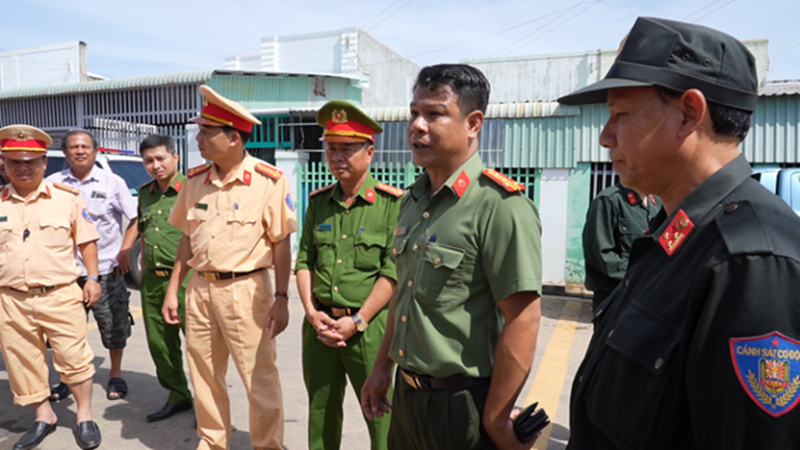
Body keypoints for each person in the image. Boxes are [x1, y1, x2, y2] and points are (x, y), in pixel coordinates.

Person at [558, 17, 800, 449]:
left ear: (689, 114)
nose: (604, 136)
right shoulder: (677, 233)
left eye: (621, 114)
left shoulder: (749, 261)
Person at [361, 64, 543, 450]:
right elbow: (403, 293)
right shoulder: (411, 202)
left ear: (473, 123)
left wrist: (495, 417)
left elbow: (523, 318)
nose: (417, 126)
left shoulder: (500, 206)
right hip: (406, 398)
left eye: (434, 113)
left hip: (462, 407)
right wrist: (382, 368)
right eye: (414, 113)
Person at [163, 85, 298, 450]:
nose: (200, 138)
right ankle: (212, 441)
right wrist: (174, 289)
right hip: (200, 290)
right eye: (200, 130)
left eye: (207, 132)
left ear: (234, 138)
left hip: (247, 290)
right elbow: (187, 239)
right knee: (204, 374)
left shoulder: (269, 180)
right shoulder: (194, 181)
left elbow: (281, 243)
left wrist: (283, 297)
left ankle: (268, 445)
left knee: (259, 377)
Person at [295, 100, 402, 450]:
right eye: (330, 148)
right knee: (321, 411)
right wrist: (312, 314)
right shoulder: (318, 202)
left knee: (380, 414)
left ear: (369, 152)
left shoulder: (391, 205)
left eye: (346, 148)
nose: (336, 156)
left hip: (369, 331)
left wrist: (357, 320)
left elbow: (393, 270)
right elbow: (304, 260)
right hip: (320, 326)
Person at [0, 124, 102, 450]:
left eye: (31, 161)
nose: (23, 168)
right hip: (11, 300)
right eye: (14, 161)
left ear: (45, 162)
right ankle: (44, 415)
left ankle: (84, 415)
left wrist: (94, 278)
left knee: (74, 359)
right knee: (23, 361)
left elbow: (86, 242)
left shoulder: (67, 198)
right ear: (3, 163)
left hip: (60, 295)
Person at [46, 129, 138, 401]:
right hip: (65, 272)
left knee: (113, 326)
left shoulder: (113, 182)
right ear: (65, 152)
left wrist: (125, 250)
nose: (80, 150)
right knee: (64, 331)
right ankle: (67, 378)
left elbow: (134, 219)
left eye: (85, 146)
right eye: (73, 146)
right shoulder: (53, 183)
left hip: (107, 270)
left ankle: (115, 374)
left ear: (95, 151)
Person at [137, 134, 194, 422]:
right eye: (148, 160)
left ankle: (209, 404)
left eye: (161, 158)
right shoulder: (145, 194)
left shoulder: (193, 189)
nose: (155, 165)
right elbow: (145, 236)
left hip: (187, 280)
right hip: (152, 281)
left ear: (175, 157)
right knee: (160, 344)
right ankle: (178, 395)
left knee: (198, 346)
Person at [582, 184, 660, 309]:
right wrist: (638, 275)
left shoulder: (657, 203)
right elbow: (599, 253)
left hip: (647, 296)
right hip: (615, 295)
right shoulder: (609, 200)